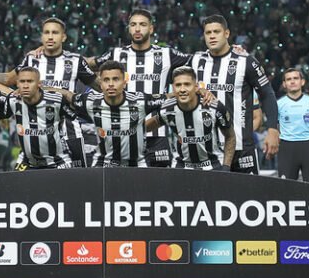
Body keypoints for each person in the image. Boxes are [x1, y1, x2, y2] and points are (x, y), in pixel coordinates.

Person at [0, 17, 99, 168]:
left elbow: (98, 85)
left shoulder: (75, 61)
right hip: (36, 130)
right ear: (41, 36)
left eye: (55, 32)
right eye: (46, 32)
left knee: (76, 182)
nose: (50, 36)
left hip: (69, 130)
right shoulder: (32, 59)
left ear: (64, 37)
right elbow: (9, 78)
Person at [90, 9, 193, 167]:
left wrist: (229, 50)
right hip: (123, 136)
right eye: (133, 25)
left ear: (151, 29)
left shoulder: (166, 54)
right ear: (129, 28)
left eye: (142, 25)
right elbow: (86, 63)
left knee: (157, 188)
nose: (137, 29)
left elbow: (201, 60)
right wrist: (47, 53)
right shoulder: (117, 54)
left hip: (157, 135)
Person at [190, 14, 279, 174]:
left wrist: (273, 129)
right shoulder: (196, 60)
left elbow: (267, 94)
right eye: (207, 32)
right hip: (207, 150)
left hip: (242, 149)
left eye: (216, 32)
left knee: (248, 198)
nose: (211, 36)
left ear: (227, 34)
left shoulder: (246, 61)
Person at [55, 61, 171, 167]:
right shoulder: (90, 101)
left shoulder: (140, 101)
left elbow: (170, 98)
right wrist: (38, 90)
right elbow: (66, 94)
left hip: (137, 163)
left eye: (116, 79)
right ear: (100, 84)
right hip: (104, 163)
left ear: (124, 82)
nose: (111, 84)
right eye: (106, 80)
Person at [146, 66, 235, 170]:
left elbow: (230, 137)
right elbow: (147, 125)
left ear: (196, 87)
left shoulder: (214, 107)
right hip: (182, 167)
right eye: (178, 85)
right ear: (173, 88)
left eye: (187, 84)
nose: (182, 89)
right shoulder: (166, 109)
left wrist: (226, 167)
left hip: (213, 166)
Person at [7, 67, 76, 171]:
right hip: (27, 162)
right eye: (22, 82)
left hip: (58, 161)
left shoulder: (56, 100)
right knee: (15, 186)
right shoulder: (13, 100)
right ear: (17, 84)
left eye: (30, 81)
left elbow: (77, 114)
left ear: (39, 84)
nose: (25, 86)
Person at [276, 68, 309, 183]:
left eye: (296, 78)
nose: (292, 81)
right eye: (289, 79)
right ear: (284, 84)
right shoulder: (278, 104)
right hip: (287, 148)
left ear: (302, 82)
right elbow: (274, 129)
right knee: (285, 188)